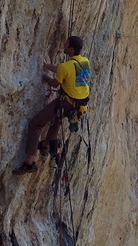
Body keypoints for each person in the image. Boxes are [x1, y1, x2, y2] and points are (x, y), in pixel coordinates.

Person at [12, 36, 90, 175]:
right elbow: (64, 71)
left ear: (71, 49)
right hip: (79, 105)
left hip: (66, 102)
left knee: (35, 124)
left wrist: (46, 77)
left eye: (66, 45)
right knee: (57, 120)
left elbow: (55, 83)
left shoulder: (66, 66)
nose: (63, 45)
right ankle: (46, 144)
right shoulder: (84, 62)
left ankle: (30, 162)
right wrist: (47, 66)